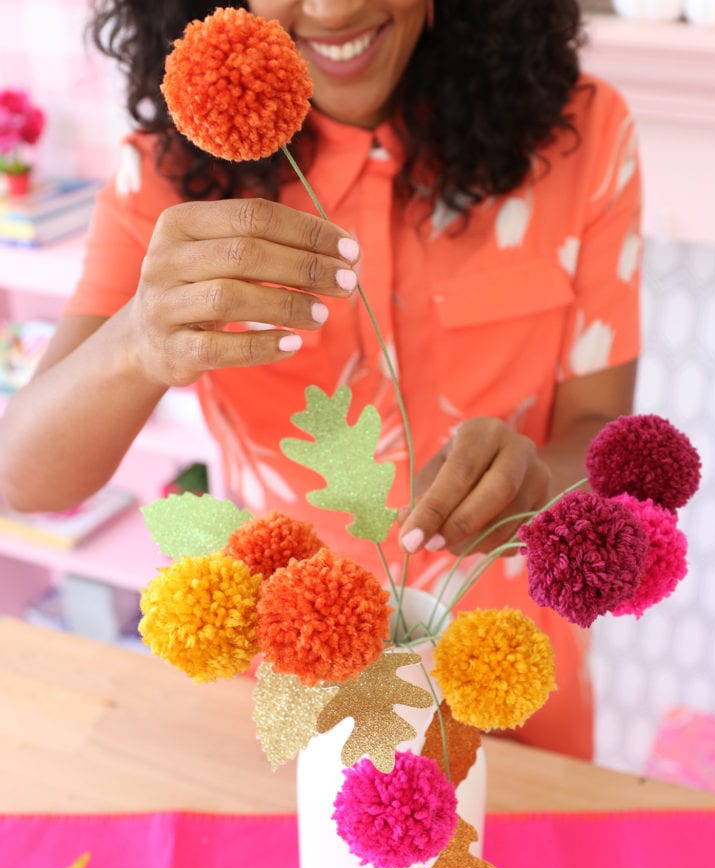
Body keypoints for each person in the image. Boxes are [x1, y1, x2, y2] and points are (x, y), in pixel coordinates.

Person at [0, 0, 641, 761]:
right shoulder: (160, 176)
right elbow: (26, 477)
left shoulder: (582, 132)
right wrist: (137, 342)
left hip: (510, 685)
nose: (334, 8)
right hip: (282, 699)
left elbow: (601, 430)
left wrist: (537, 481)